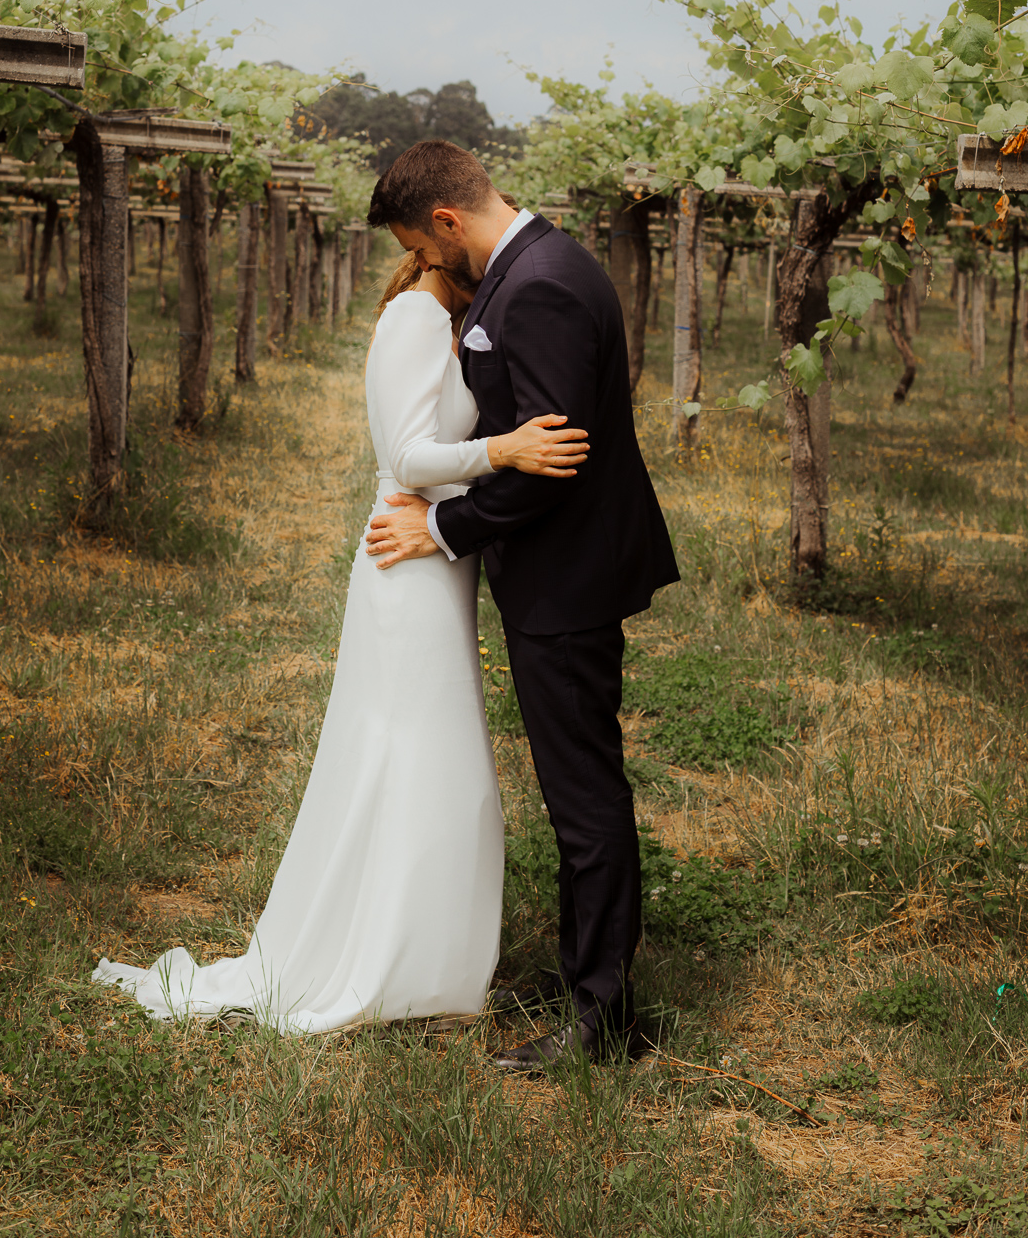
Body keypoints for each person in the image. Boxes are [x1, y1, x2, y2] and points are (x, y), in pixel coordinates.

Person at [91, 245, 588, 1030]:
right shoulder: (410, 319)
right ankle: (388, 962)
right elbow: (406, 458)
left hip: (436, 555)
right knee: (419, 754)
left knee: (434, 756)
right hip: (407, 558)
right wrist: (504, 449)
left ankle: (424, 963)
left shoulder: (445, 322)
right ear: (434, 243)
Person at [364, 140, 679, 1071]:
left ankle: (604, 1019)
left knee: (584, 795)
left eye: (425, 245)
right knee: (572, 785)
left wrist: (446, 527)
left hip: (568, 575)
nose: (427, 265)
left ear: (448, 221)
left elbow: (555, 457)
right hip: (562, 572)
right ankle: (587, 970)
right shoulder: (547, 260)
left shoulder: (536, 284)